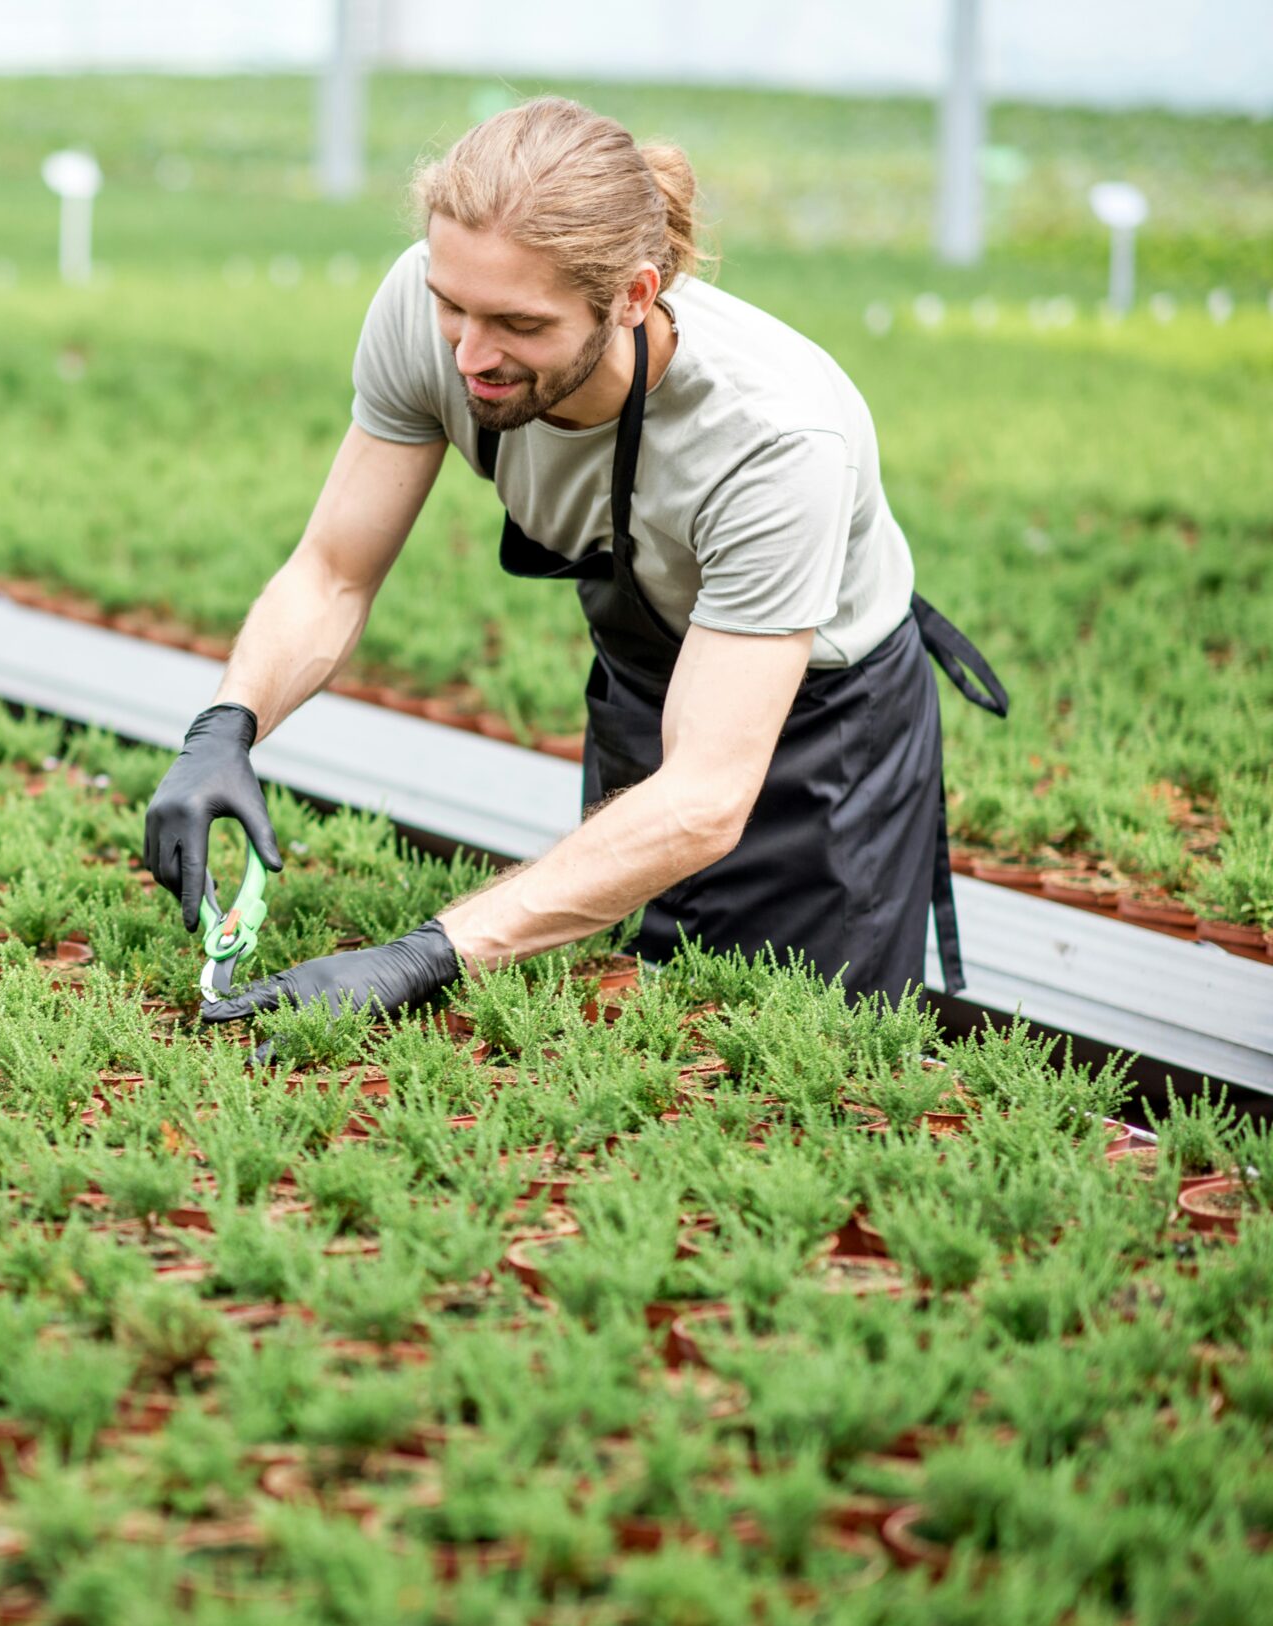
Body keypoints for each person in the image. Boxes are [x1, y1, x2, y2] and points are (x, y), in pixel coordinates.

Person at [142, 95, 1007, 1027]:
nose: (471, 354)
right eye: (451, 305)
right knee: (620, 1013)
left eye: (517, 323)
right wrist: (225, 727)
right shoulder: (426, 305)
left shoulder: (772, 437)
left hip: (823, 738)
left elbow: (707, 793)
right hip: (646, 684)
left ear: (635, 297)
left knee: (784, 1050)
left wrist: (422, 956)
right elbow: (332, 572)